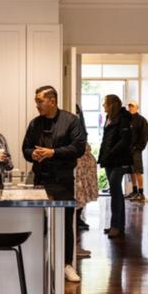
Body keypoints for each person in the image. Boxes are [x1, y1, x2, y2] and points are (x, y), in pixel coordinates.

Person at [23, 85, 86, 282]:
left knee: (66, 223)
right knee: (39, 222)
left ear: (52, 101)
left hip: (63, 180)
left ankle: (66, 264)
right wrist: (32, 154)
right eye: (36, 102)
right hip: (40, 181)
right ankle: (39, 262)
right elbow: (25, 147)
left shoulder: (71, 121)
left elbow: (78, 148)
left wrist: (53, 153)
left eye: (40, 101)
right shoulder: (35, 124)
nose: (37, 106)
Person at [97, 95, 133, 239]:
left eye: (105, 103)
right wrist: (102, 156)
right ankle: (118, 225)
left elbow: (125, 141)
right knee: (116, 193)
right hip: (109, 160)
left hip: (119, 161)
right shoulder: (109, 118)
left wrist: (110, 153)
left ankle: (116, 226)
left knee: (115, 192)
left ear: (112, 105)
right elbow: (106, 140)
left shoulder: (123, 118)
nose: (103, 106)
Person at [74, 102, 98, 238]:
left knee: (82, 190)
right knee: (80, 191)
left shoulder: (77, 117)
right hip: (79, 158)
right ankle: (76, 219)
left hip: (82, 157)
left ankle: (77, 219)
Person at [126, 102, 148, 201]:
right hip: (127, 150)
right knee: (130, 171)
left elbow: (145, 136)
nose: (130, 108)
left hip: (136, 150)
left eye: (132, 106)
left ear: (137, 108)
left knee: (137, 171)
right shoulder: (126, 119)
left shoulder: (141, 120)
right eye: (129, 106)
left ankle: (141, 192)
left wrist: (139, 147)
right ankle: (134, 191)